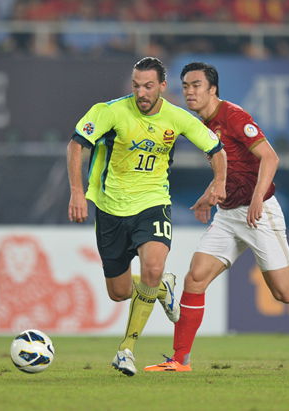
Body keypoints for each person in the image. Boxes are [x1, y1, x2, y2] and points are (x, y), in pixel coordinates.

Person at [144, 62, 289, 373]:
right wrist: (209, 193)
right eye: (185, 85)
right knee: (195, 278)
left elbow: (270, 156)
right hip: (228, 215)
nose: (189, 91)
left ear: (213, 89)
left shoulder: (234, 116)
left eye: (196, 85)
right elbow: (231, 168)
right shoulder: (201, 123)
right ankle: (180, 359)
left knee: (286, 292)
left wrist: (256, 198)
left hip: (259, 213)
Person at [66, 57, 227, 376]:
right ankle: (162, 289)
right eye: (137, 85)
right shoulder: (109, 111)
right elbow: (75, 145)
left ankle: (127, 349)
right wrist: (76, 191)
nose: (141, 92)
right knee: (120, 292)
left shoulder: (177, 118)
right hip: (110, 208)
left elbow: (216, 151)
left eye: (149, 86)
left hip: (153, 203)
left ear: (162, 87)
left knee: (153, 267)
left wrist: (218, 182)